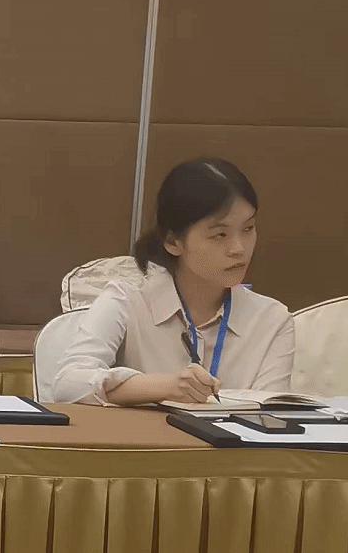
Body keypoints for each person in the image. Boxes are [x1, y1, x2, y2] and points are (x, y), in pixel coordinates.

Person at [53, 157, 293, 406]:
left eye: (248, 228)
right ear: (173, 242)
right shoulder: (127, 300)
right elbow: (67, 384)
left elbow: (273, 415)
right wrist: (163, 388)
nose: (239, 248)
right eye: (220, 234)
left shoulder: (272, 320)